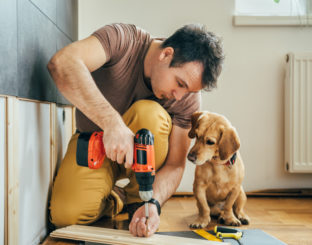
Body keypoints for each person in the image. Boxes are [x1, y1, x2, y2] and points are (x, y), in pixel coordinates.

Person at [47, 23, 224, 237]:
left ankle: (138, 201)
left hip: (143, 168)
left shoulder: (187, 98)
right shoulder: (122, 39)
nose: (179, 96)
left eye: (188, 90)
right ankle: (116, 199)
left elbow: (175, 164)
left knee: (149, 113)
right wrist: (112, 124)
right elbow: (63, 63)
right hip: (94, 143)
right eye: (179, 83)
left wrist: (155, 203)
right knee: (66, 216)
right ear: (166, 54)